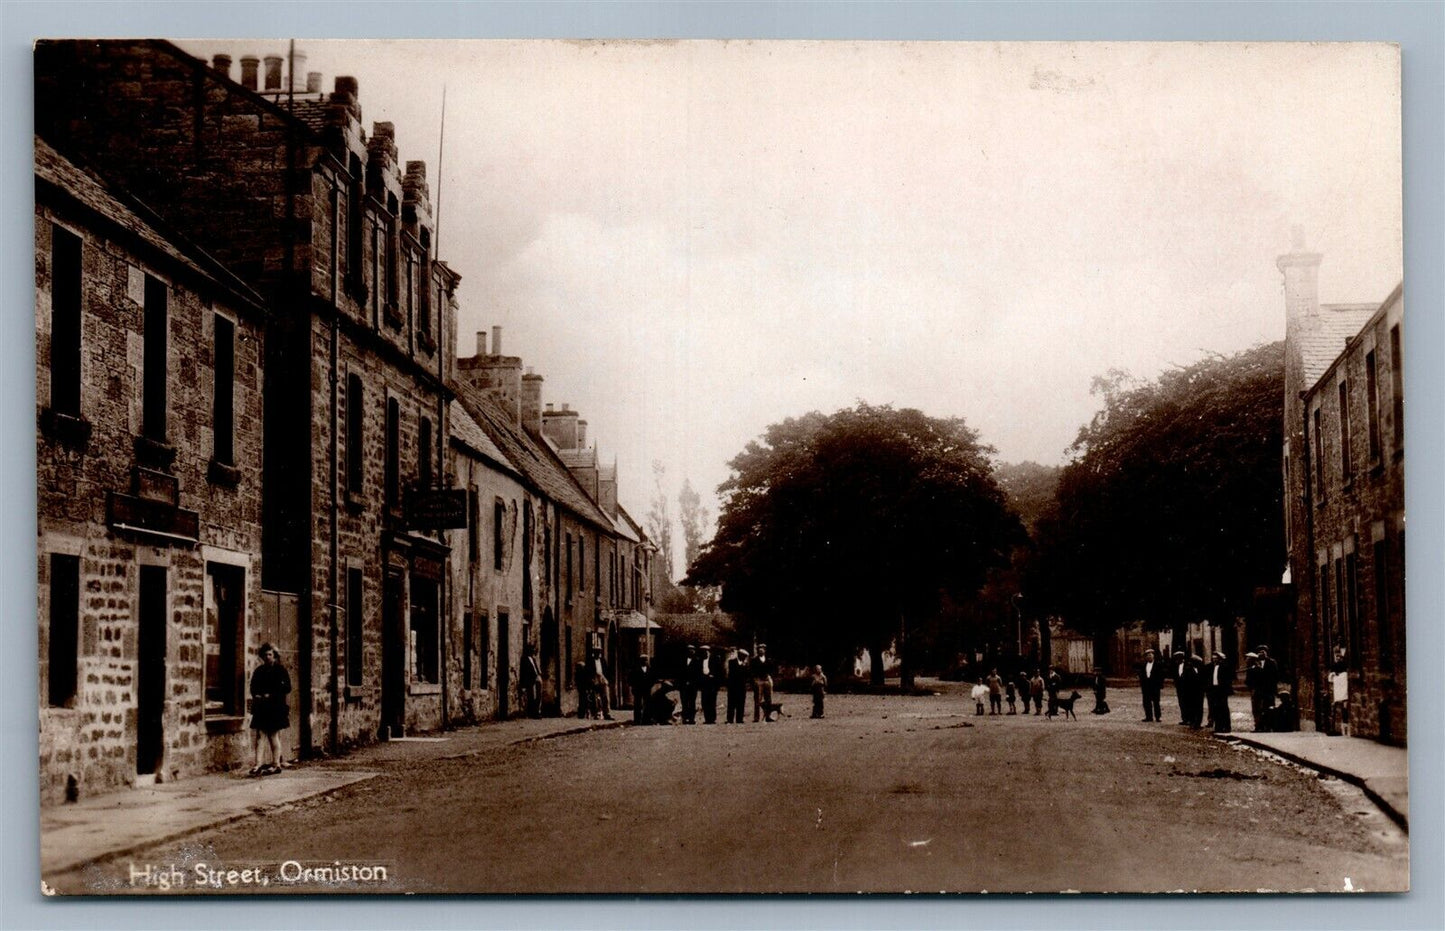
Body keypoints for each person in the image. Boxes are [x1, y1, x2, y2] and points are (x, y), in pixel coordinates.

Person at [248, 643, 291, 776]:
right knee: (260, 735)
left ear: (275, 656)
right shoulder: (259, 671)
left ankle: (276, 764)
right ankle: (257, 765)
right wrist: (256, 695)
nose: (267, 657)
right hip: (261, 707)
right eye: (265, 654)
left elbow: (287, 688)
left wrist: (271, 695)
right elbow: (253, 687)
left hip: (275, 707)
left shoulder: (281, 671)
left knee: (273, 735)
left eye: (270, 654)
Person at [1171, 650, 1203, 728]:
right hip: (1181, 688)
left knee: (1194, 706)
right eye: (1177, 658)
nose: (1178, 660)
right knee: (1182, 703)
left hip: (1193, 690)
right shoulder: (1176, 666)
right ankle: (1186, 719)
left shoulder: (1188, 666)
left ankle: (1194, 721)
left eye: (1180, 658)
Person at [1206, 650, 1233, 734]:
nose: (1214, 660)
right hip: (1213, 689)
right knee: (1215, 708)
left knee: (1224, 708)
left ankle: (1226, 726)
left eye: (1216, 658)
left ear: (1220, 659)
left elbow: (1228, 679)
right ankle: (1218, 726)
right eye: (1213, 658)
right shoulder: (1210, 667)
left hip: (1222, 690)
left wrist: (1226, 689)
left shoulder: (1225, 667)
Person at [1137, 648, 1165, 722]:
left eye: (1150, 655)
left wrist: (1159, 685)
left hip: (1155, 686)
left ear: (1153, 656)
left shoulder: (1158, 665)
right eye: (1147, 656)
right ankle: (1148, 717)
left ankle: (1158, 717)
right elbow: (1141, 675)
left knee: (1156, 702)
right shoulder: (1143, 665)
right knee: (1146, 702)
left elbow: (1161, 676)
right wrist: (1142, 684)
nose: (1149, 657)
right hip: (1146, 686)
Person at [1328, 646, 1350, 736]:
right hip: (1337, 685)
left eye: (1339, 657)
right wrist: (1333, 674)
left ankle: (1345, 727)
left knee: (1344, 705)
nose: (1338, 658)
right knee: (1335, 704)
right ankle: (1333, 727)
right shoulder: (1334, 666)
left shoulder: (1344, 666)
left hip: (1343, 684)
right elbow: (1330, 678)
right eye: (1336, 656)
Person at [751, 643, 776, 722]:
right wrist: (754, 680)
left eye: (762, 649)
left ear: (765, 650)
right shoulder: (754, 660)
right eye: (759, 649)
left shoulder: (768, 660)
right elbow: (751, 671)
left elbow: (772, 670)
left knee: (768, 699)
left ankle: (768, 716)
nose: (761, 650)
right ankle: (756, 717)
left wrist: (770, 677)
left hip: (766, 680)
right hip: (758, 680)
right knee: (757, 699)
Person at [588, 647, 614, 720]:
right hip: (595, 678)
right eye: (596, 652)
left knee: (605, 697)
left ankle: (607, 713)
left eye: (599, 652)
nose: (598, 654)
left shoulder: (603, 661)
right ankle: (596, 714)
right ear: (594, 653)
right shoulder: (590, 661)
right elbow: (588, 671)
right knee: (595, 698)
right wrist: (591, 680)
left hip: (602, 678)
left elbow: (606, 671)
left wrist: (607, 680)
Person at [726, 648, 750, 724]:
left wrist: (744, 666)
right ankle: (730, 719)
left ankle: (739, 719)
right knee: (731, 703)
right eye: (743, 656)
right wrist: (742, 667)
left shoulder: (745, 665)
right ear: (739, 655)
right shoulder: (732, 662)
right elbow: (733, 673)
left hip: (741, 687)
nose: (744, 658)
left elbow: (747, 675)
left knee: (741, 703)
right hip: (733, 686)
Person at [699, 645, 721, 724]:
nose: (705, 653)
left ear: (709, 652)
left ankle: (712, 718)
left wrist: (713, 676)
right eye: (703, 652)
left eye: (706, 651)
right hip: (704, 682)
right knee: (704, 701)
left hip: (712, 683)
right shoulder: (700, 660)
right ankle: (707, 718)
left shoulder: (715, 659)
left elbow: (719, 671)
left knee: (712, 701)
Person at [520, 643, 542, 719]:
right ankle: (533, 713)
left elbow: (535, 668)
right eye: (531, 649)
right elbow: (523, 672)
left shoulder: (533, 659)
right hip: (530, 680)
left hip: (537, 678)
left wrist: (539, 674)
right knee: (532, 696)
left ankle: (537, 711)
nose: (533, 651)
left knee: (538, 696)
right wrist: (523, 684)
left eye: (533, 649)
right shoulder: (524, 659)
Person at [629, 656, 653, 724]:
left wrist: (650, 685)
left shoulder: (649, 669)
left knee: (647, 705)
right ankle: (637, 720)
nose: (645, 662)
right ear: (640, 661)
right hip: (638, 689)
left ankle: (646, 720)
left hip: (647, 689)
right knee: (637, 705)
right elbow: (631, 679)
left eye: (646, 660)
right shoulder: (635, 669)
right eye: (643, 660)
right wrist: (633, 686)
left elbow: (652, 678)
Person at [680, 645, 700, 724]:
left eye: (692, 650)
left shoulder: (697, 661)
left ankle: (691, 718)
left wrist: (692, 682)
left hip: (693, 685)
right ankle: (685, 718)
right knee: (684, 702)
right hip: (683, 685)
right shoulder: (682, 661)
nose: (691, 652)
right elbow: (680, 673)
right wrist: (683, 682)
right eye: (689, 650)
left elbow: (697, 674)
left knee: (692, 702)